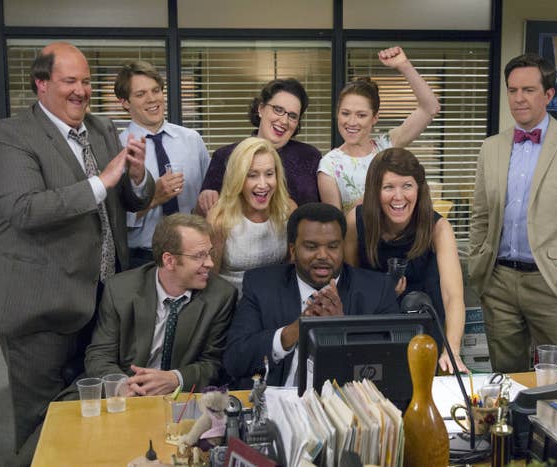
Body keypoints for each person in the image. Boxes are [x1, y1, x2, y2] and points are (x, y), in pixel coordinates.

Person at [0, 42, 155, 460]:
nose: (81, 90)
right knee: (41, 423)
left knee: (99, 412)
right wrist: (104, 181)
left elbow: (133, 200)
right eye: (69, 81)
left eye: (86, 81)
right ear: (41, 84)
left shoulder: (101, 129)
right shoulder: (9, 136)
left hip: (101, 303)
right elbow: (25, 209)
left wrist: (135, 176)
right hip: (40, 307)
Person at [468, 53, 557, 373]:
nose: (518, 98)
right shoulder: (491, 147)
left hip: (553, 283)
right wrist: (479, 269)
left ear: (548, 94)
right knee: (508, 376)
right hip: (498, 281)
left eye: (528, 90)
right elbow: (480, 215)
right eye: (512, 90)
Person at [224, 203, 399, 387]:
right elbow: (235, 361)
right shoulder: (261, 285)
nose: (323, 255)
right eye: (311, 246)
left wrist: (342, 332)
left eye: (333, 246)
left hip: (346, 408)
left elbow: (391, 369)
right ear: (293, 250)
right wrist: (291, 333)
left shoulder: (377, 290)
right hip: (277, 405)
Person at [84, 214, 237, 396]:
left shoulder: (221, 296)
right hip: (126, 391)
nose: (210, 263)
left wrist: (175, 379)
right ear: (169, 260)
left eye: (210, 253)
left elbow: (214, 364)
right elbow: (100, 354)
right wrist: (122, 386)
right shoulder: (120, 290)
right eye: (199, 256)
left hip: (180, 397)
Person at [344, 148, 467, 373]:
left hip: (426, 336)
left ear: (419, 189)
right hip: (372, 335)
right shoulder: (356, 221)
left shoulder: (439, 228)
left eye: (407, 186)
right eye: (388, 187)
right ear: (374, 191)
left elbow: (453, 297)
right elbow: (349, 290)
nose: (398, 197)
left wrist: (452, 350)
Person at [317, 46, 440, 213]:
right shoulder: (329, 165)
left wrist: (404, 65)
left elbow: (430, 108)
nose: (351, 122)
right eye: (345, 113)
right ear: (337, 114)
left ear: (375, 118)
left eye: (361, 115)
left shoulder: (387, 146)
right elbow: (336, 227)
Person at [114, 61, 210, 268]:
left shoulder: (192, 141)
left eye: (155, 90)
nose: (152, 99)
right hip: (140, 258)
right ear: (125, 102)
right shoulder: (116, 149)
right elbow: (113, 219)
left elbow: (211, 197)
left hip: (193, 255)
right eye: (140, 94)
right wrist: (154, 197)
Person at [197, 78, 321, 215]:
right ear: (261, 109)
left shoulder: (310, 157)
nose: (284, 121)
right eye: (278, 109)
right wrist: (205, 200)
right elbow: (201, 217)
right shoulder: (225, 156)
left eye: (292, 116)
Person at [207, 137, 295, 295]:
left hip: (276, 304)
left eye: (269, 174)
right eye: (252, 175)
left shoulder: (288, 209)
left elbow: (292, 268)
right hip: (232, 309)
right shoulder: (219, 218)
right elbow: (210, 282)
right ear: (238, 178)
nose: (263, 184)